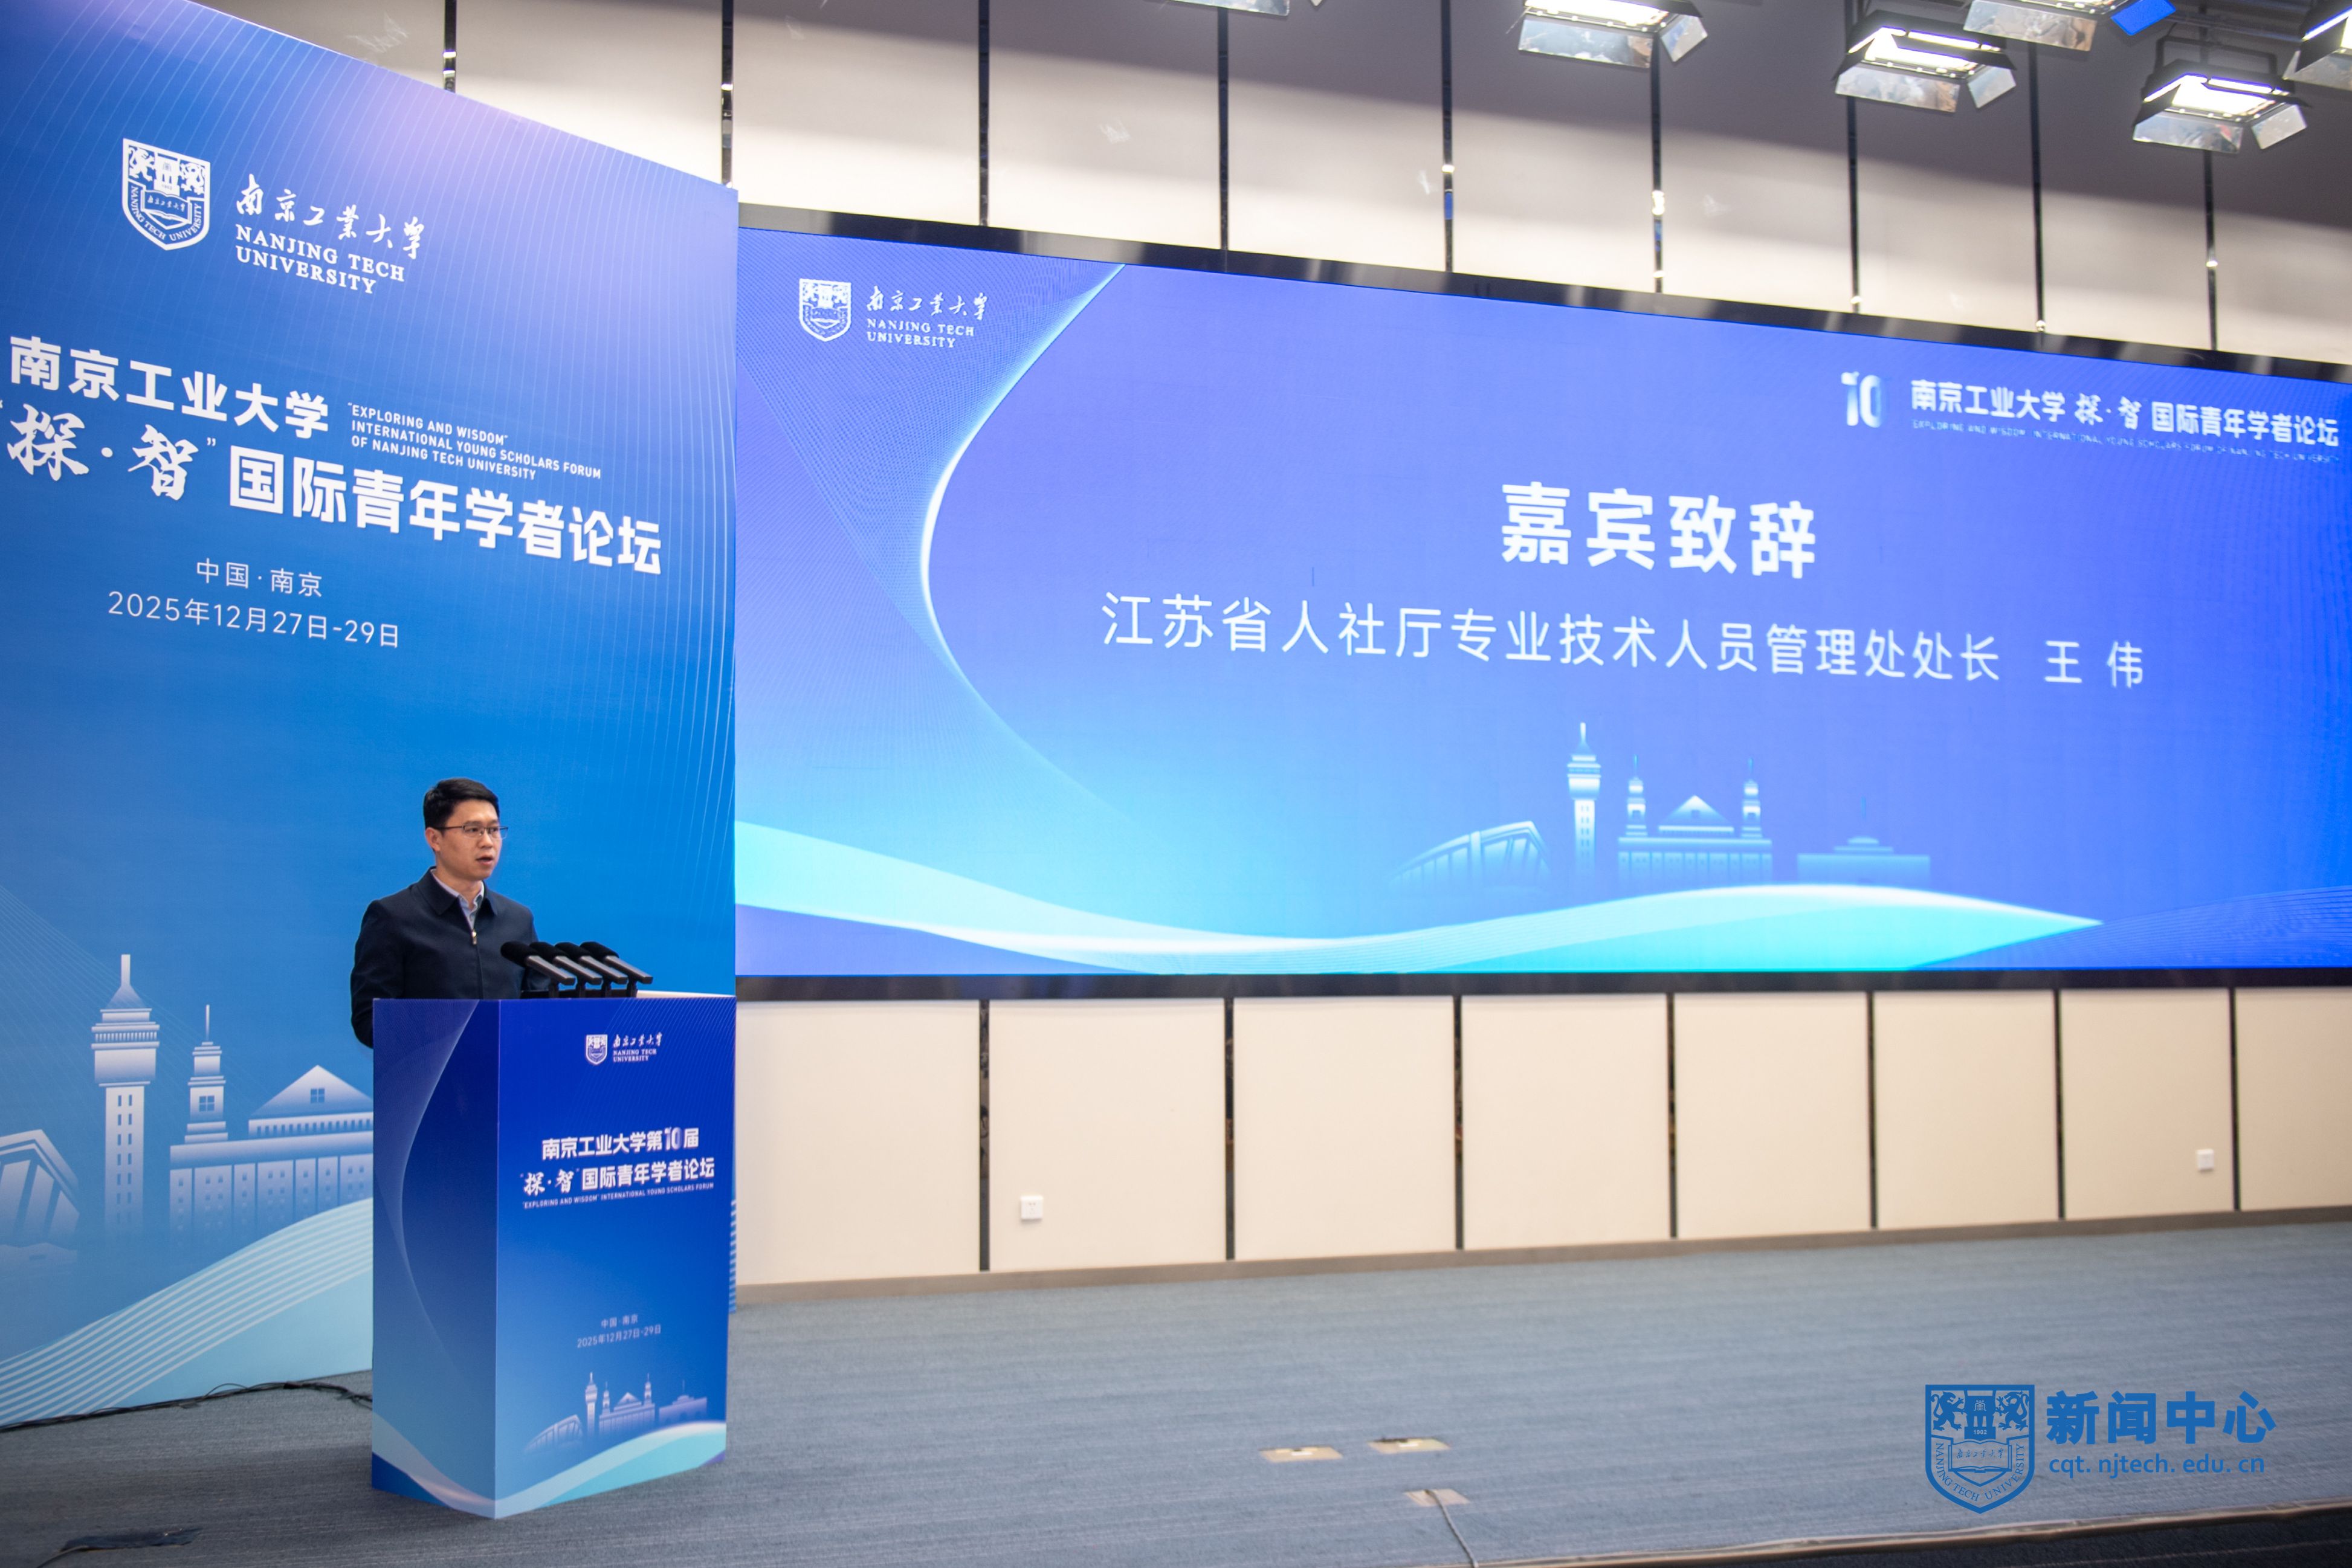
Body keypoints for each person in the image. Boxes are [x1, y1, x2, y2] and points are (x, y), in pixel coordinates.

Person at [349, 778, 538, 1046]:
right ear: (435, 839)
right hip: (431, 1070)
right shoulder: (393, 917)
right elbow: (369, 1020)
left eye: (494, 830)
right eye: (473, 830)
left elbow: (538, 1010)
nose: (488, 842)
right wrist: (440, 1036)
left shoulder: (518, 920)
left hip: (507, 1071)